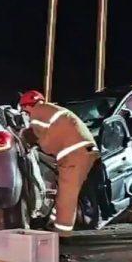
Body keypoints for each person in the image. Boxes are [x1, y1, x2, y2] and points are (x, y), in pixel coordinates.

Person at [19, 90, 100, 234]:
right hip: (84, 153)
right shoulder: (52, 110)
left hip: (74, 156)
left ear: (26, 106)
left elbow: (33, 134)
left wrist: (23, 138)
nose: (26, 114)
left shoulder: (38, 113)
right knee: (65, 191)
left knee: (66, 196)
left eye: (25, 111)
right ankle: (53, 222)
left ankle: (62, 232)